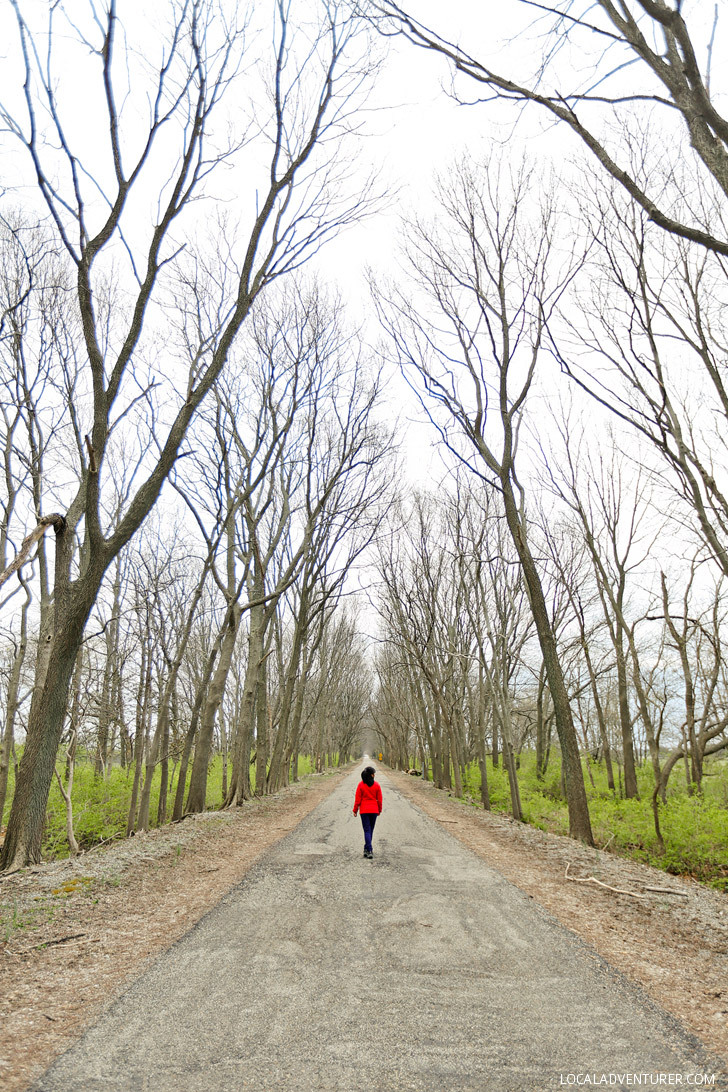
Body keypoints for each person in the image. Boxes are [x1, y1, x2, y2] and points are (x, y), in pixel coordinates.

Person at [353, 766, 382, 859]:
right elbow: (380, 800)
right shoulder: (377, 785)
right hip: (374, 811)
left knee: (367, 830)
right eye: (373, 774)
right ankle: (367, 849)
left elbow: (357, 800)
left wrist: (355, 810)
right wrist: (379, 809)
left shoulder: (361, 785)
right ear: (371, 775)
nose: (374, 775)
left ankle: (368, 849)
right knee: (370, 830)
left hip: (364, 811)